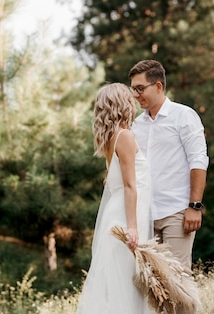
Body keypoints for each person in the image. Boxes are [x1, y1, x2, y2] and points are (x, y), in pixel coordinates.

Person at [76, 83, 154, 314]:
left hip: (118, 211)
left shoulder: (111, 138)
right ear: (123, 105)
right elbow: (130, 186)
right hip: (127, 216)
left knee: (120, 282)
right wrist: (132, 228)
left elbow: (112, 181)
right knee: (126, 283)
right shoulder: (125, 136)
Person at [128, 60, 209, 276]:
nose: (136, 95)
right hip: (145, 215)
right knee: (153, 285)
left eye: (140, 88)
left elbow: (198, 161)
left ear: (158, 86)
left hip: (177, 212)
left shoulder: (184, 116)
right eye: (133, 89)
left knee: (177, 282)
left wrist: (194, 206)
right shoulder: (136, 125)